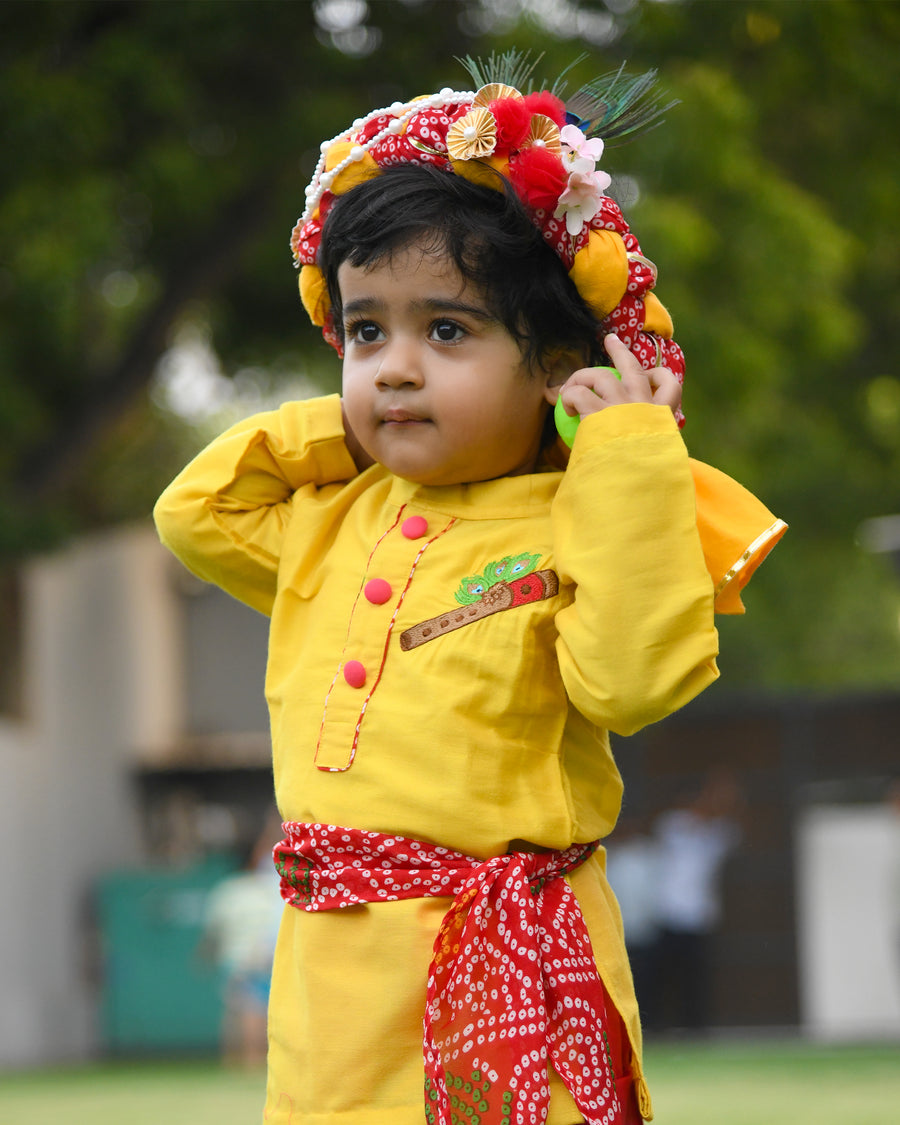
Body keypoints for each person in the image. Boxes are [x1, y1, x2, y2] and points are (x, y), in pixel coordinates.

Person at [154, 56, 786, 1125]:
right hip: (333, 996)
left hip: (509, 958)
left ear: (556, 365)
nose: (396, 367)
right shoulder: (328, 523)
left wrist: (625, 455)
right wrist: (350, 427)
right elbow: (195, 509)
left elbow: (632, 681)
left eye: (446, 330)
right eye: (366, 331)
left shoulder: (583, 517)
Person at [651, 770, 744, 1033]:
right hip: (668, 914)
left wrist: (728, 800)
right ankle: (657, 1027)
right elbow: (697, 818)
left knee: (696, 978)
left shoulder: (717, 833)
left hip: (699, 916)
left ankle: (695, 1029)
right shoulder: (672, 823)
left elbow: (735, 828)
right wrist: (714, 797)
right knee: (661, 976)